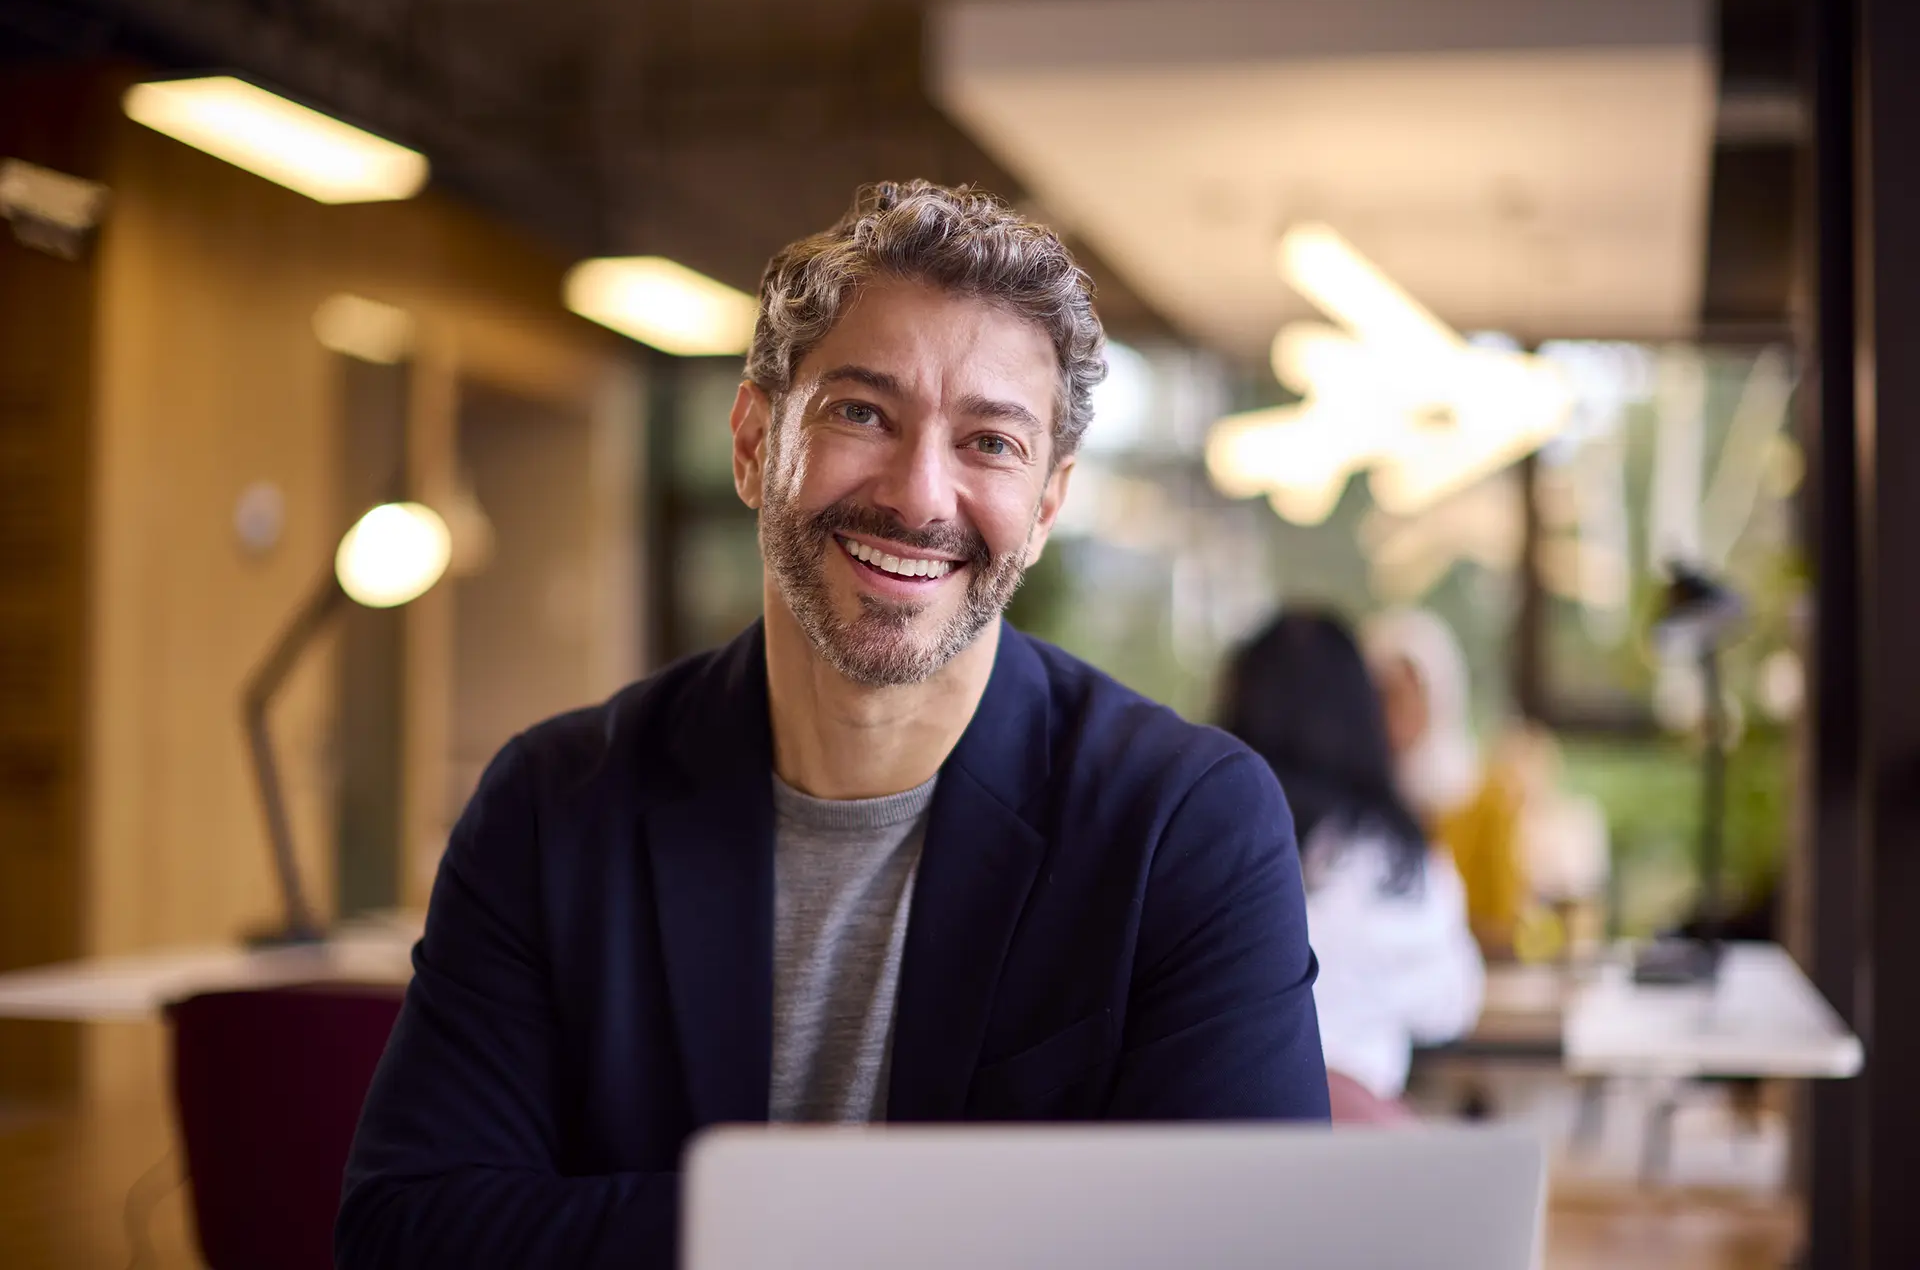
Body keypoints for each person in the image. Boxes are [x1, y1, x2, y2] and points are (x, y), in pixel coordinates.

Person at [336, 181, 1329, 1270]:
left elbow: (1252, 1249)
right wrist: (882, 1224)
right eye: (862, 412)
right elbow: (412, 1232)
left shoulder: (1185, 824)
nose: (918, 495)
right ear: (756, 440)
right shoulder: (553, 803)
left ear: (1045, 507)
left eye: (990, 443)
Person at [1220, 611, 1484, 1110]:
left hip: (1219, 1137)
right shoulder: (1396, 858)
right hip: (1355, 1139)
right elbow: (1450, 1005)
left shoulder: (1205, 838)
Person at [1364, 607, 1529, 958]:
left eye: (1406, 695)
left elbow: (1501, 925)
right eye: (1381, 696)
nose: (1394, 714)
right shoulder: (1355, 799)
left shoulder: (1482, 797)